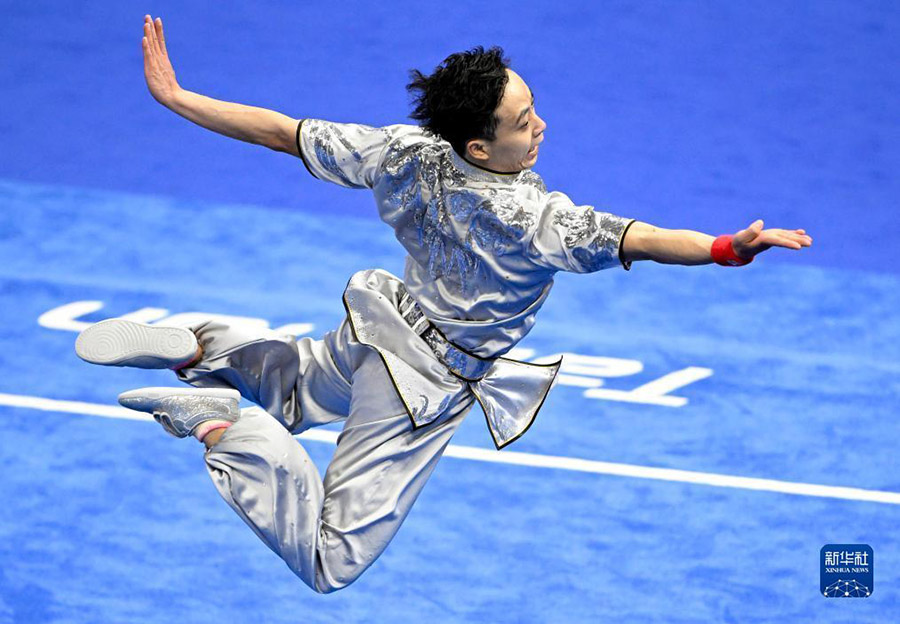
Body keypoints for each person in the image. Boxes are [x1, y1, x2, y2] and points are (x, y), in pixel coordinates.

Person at [75, 15, 813, 593]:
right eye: (523, 122)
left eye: (533, 109)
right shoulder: (534, 220)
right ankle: (221, 424)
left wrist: (177, 98)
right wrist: (726, 247)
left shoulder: (403, 150)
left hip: (380, 327)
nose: (541, 126)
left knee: (295, 388)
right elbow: (642, 239)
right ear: (479, 147)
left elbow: (281, 133)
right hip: (424, 385)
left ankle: (198, 345)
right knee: (331, 558)